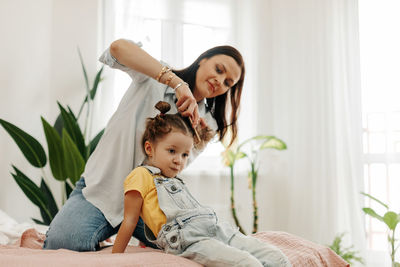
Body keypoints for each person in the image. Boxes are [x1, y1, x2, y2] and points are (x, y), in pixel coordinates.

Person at [43, 39, 245, 251]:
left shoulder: (206, 124)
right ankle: (104, 243)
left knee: (202, 248)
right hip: (100, 192)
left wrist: (190, 139)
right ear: (203, 60)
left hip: (151, 208)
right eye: (219, 70)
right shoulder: (155, 77)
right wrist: (177, 84)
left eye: (228, 83)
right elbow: (117, 48)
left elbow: (171, 172)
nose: (219, 81)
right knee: (61, 244)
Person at [112, 101, 291, 267]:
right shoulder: (140, 175)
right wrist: (114, 259)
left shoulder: (174, 180)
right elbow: (130, 220)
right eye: (172, 151)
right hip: (189, 239)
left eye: (184, 155)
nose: (179, 161)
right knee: (248, 263)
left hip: (217, 228)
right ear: (150, 148)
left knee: (277, 258)